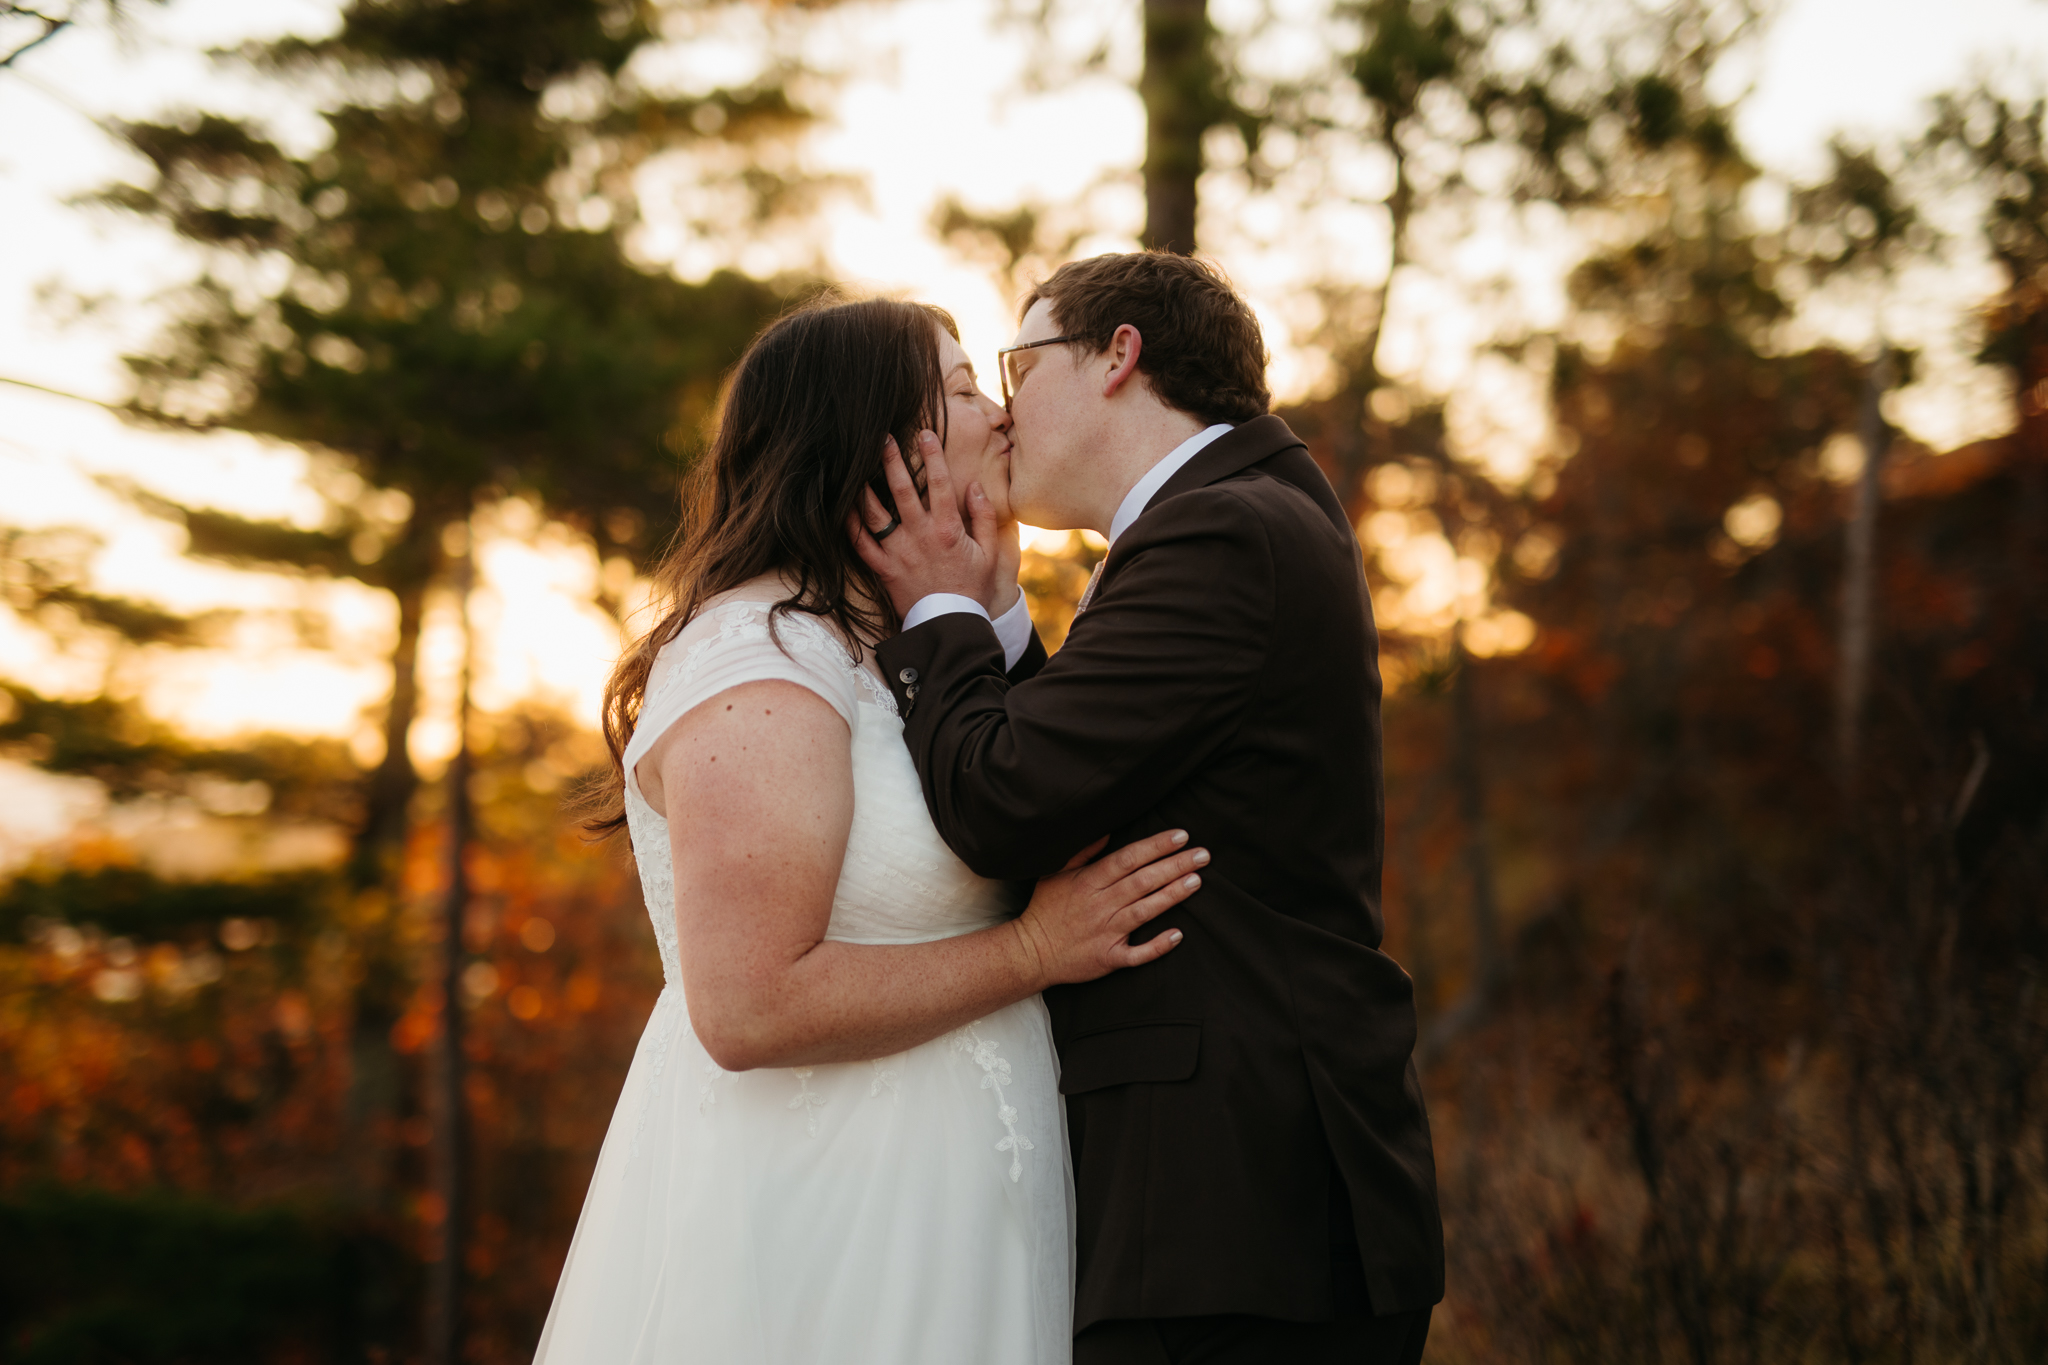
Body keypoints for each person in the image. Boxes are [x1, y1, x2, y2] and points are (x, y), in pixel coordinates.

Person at [535, 297, 1212, 1365]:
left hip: (973, 1197)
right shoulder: (757, 657)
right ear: (870, 446)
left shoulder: (903, 646)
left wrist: (985, 607)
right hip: (830, 1213)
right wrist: (1034, 950)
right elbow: (750, 1005)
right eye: (959, 391)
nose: (1002, 417)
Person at [852, 252, 1445, 1365]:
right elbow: (1080, 796)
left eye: (1017, 366)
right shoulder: (1237, 517)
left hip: (1228, 1208)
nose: (1004, 407)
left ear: (1117, 355)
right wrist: (996, 616)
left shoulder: (1220, 532)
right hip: (1245, 1203)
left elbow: (1003, 804)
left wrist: (935, 607)